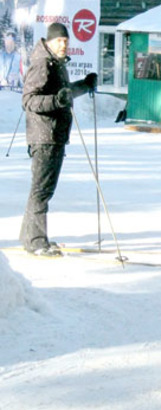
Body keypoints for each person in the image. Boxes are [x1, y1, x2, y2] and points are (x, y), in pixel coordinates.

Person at [20, 22, 97, 257]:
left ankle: (31, 237)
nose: (63, 45)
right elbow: (29, 100)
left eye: (66, 41)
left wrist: (83, 86)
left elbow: (62, 94)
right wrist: (56, 100)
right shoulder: (43, 63)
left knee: (43, 190)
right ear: (50, 42)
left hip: (54, 135)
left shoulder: (55, 63)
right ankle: (35, 241)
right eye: (59, 41)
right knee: (41, 190)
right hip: (44, 136)